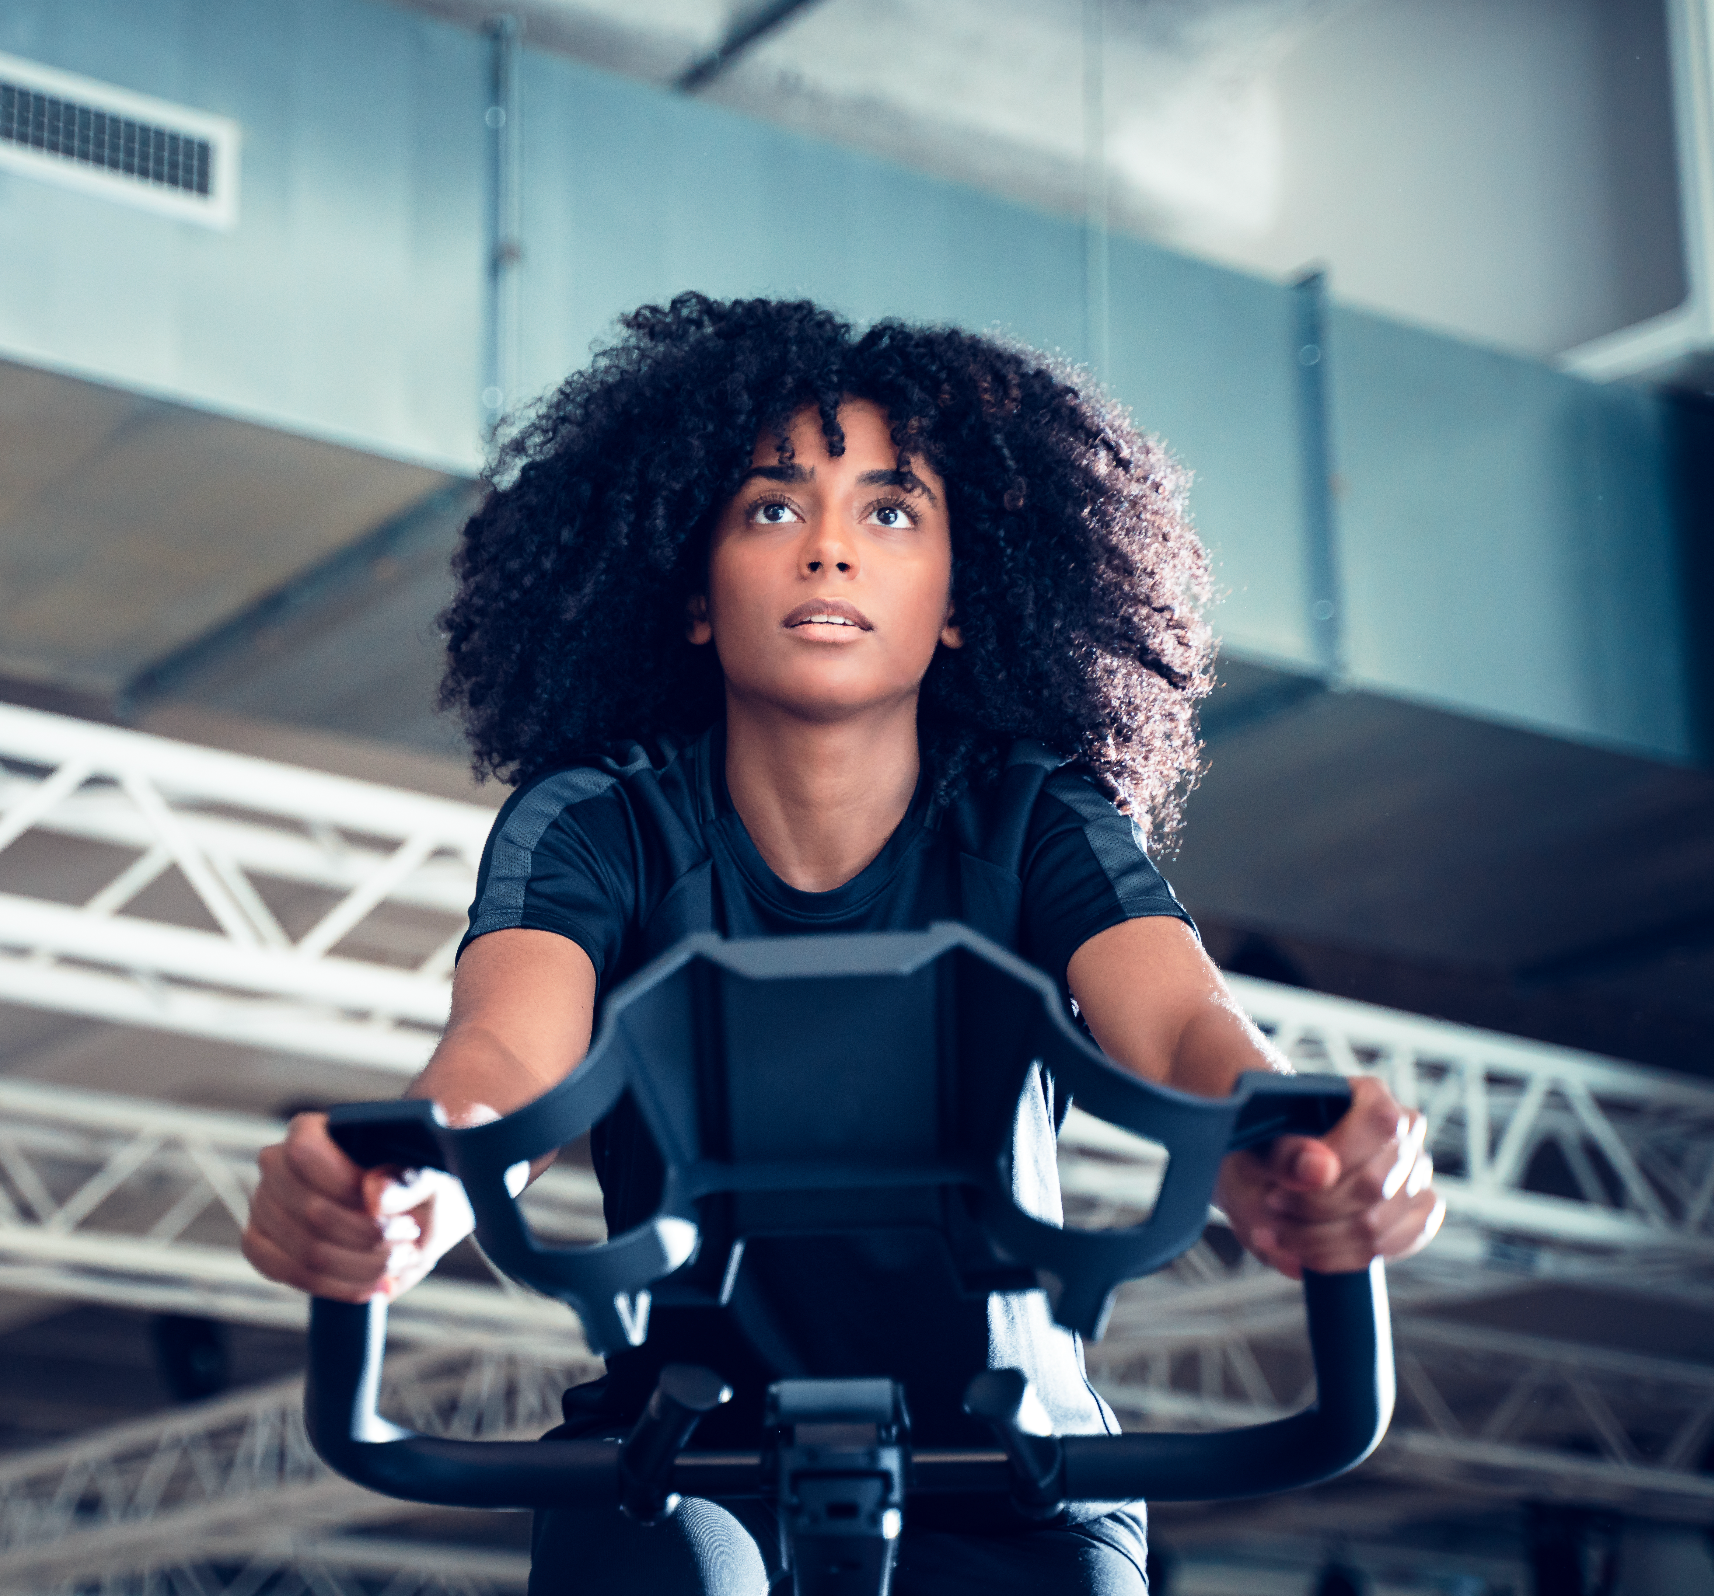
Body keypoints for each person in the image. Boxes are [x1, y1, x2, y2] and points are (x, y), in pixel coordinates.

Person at [242, 296, 1443, 1595]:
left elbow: (1179, 1024)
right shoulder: (599, 821)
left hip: (1015, 1470)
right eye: (770, 509)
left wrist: (1273, 1141)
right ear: (691, 597)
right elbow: (503, 1053)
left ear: (961, 605)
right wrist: (419, 1180)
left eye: (887, 512)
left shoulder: (1034, 814)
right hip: (682, 1461)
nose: (827, 550)